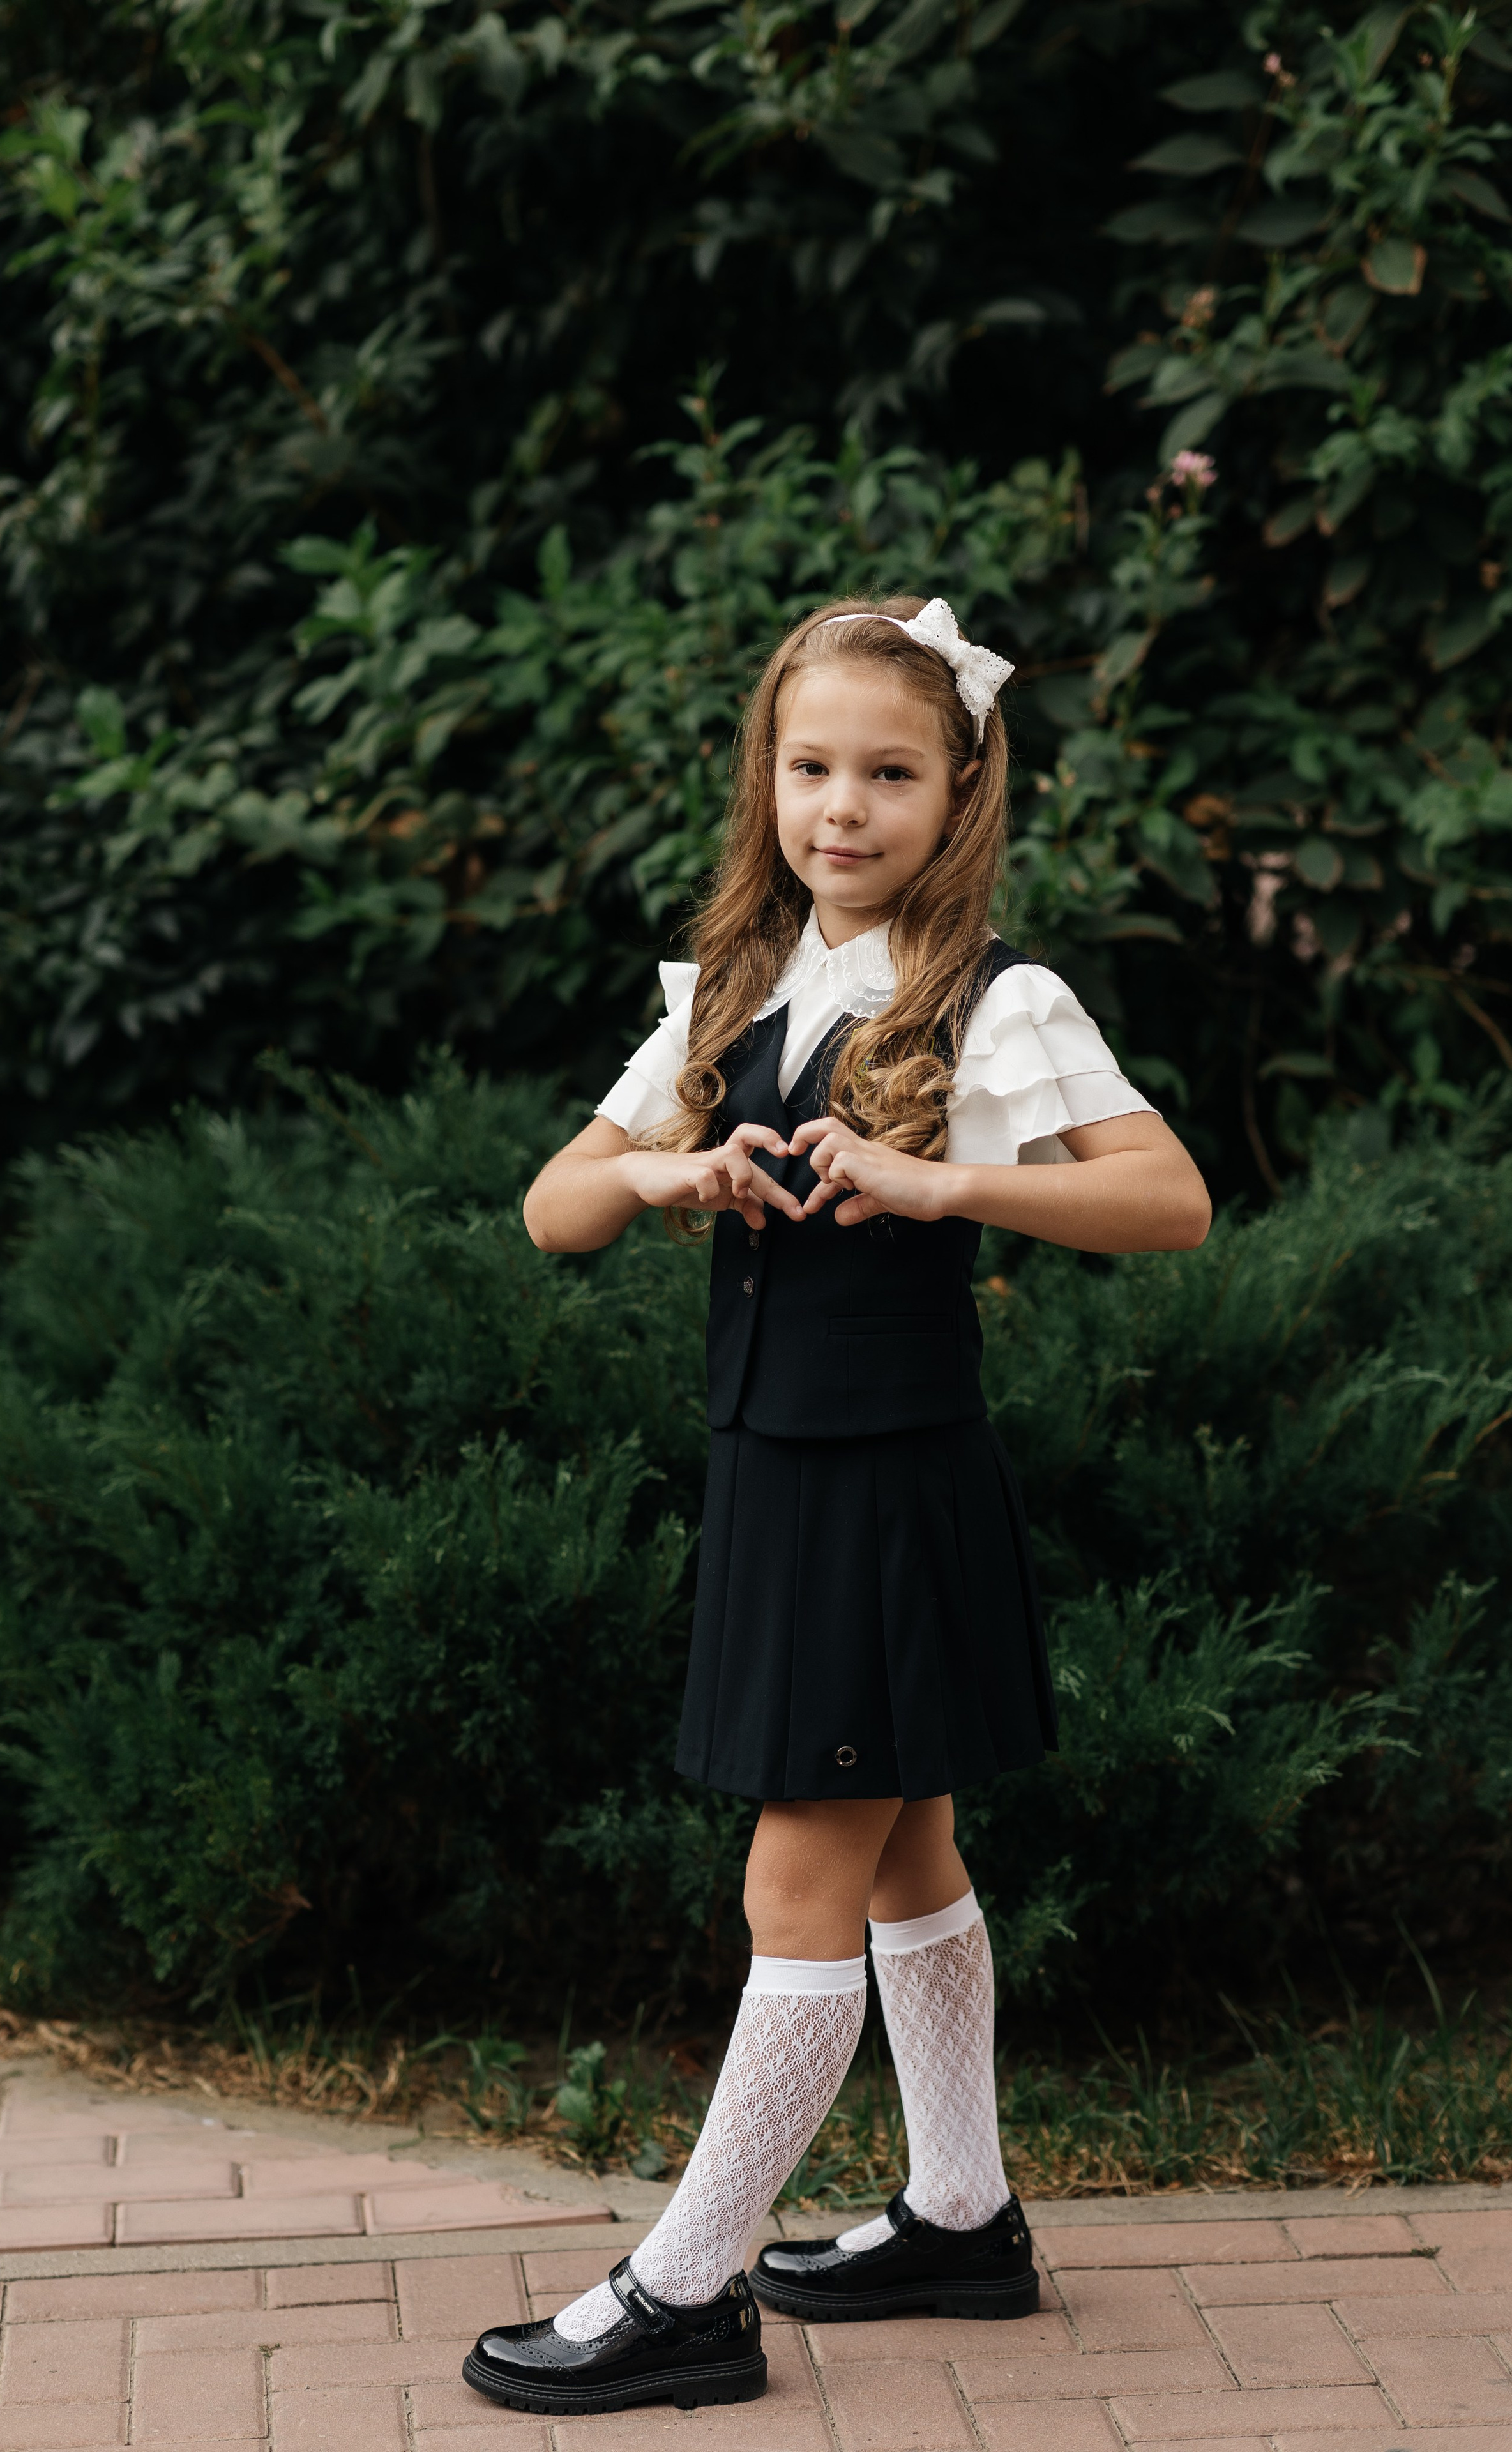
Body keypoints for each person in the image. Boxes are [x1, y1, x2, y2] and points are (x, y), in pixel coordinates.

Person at [462, 595, 1211, 2419]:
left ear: (960, 792)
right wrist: (669, 1169)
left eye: (890, 772)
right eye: (812, 769)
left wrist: (946, 1185)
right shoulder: (731, 989)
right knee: (906, 1848)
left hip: (890, 1486)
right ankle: (959, 2214)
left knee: (797, 1869)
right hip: (777, 1475)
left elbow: (1170, 1200)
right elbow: (553, 1207)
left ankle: (688, 2288)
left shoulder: (997, 998)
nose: (844, 807)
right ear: (768, 782)